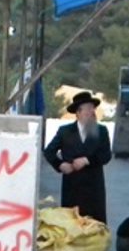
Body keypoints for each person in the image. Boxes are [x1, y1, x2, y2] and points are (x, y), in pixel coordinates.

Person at [43, 91, 113, 224]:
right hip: (72, 187)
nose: (91, 112)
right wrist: (60, 165)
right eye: (87, 109)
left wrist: (87, 160)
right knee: (72, 225)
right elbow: (49, 151)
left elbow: (106, 155)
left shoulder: (101, 130)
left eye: (92, 109)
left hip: (94, 187)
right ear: (78, 112)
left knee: (94, 226)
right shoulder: (65, 131)